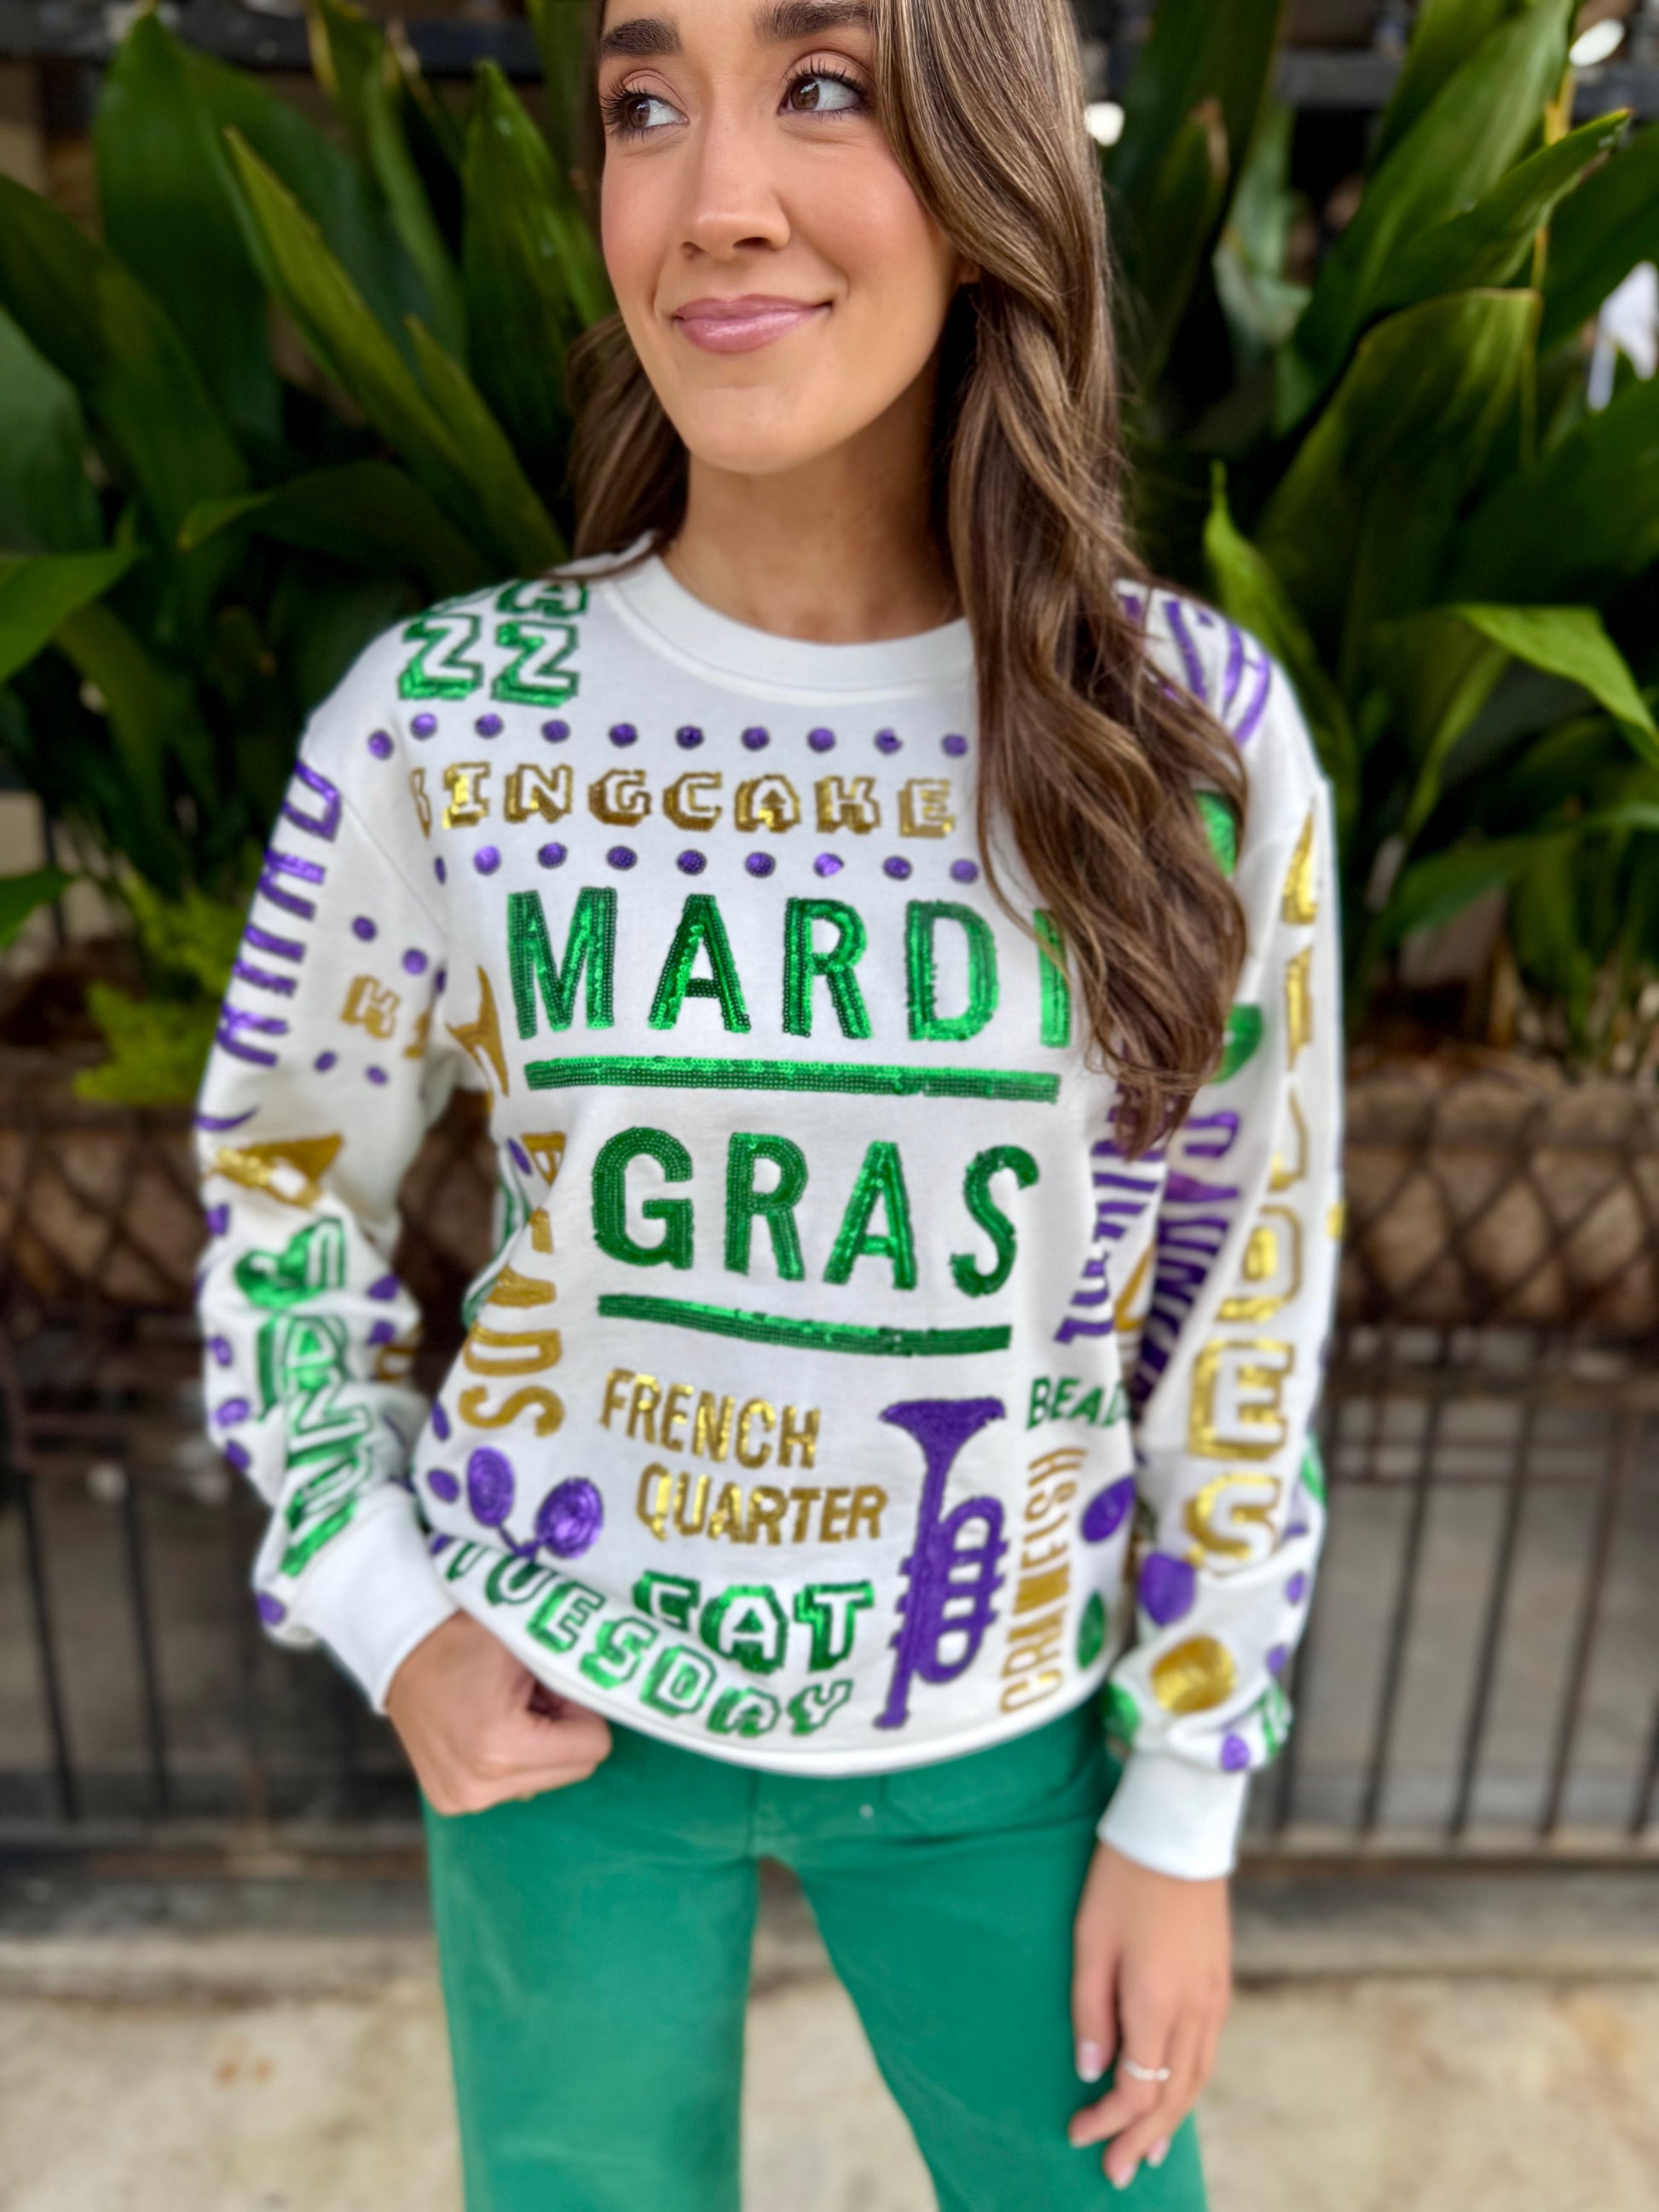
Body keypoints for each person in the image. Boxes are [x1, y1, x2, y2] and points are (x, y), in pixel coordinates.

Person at [194, 0, 1342, 2203]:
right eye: (647, 105)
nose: (713, 199)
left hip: (1005, 1722)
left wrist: (1186, 1793)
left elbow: (1246, 1280)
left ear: (994, 164)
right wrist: (383, 1603)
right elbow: (278, 1185)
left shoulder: (1181, 731)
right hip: (556, 1714)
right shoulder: (450, 720)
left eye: (824, 88)